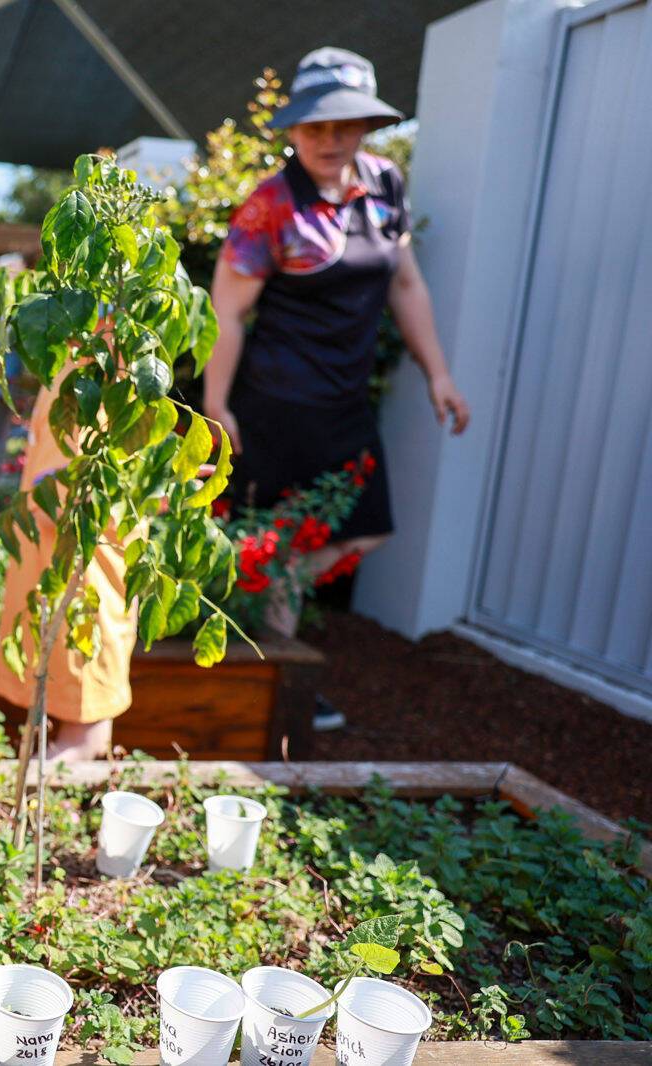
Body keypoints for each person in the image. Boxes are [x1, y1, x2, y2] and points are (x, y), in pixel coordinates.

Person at [204, 47, 470, 729]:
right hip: (278, 405)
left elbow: (404, 282)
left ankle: (270, 664)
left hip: (347, 403)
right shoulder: (271, 206)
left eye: (346, 125)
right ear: (294, 130)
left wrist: (438, 372)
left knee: (362, 531)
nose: (330, 139)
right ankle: (269, 692)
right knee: (275, 543)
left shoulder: (385, 184)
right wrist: (216, 404)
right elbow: (228, 313)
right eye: (316, 126)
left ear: (367, 128)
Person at [0, 368, 139, 762]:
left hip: (79, 541)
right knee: (59, 625)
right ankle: (71, 735)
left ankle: (80, 743)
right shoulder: (74, 359)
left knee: (83, 612)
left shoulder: (103, 365)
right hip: (58, 535)